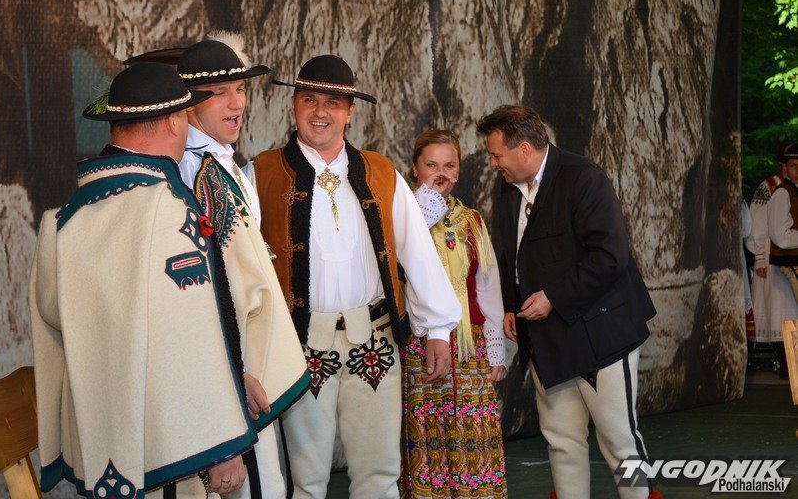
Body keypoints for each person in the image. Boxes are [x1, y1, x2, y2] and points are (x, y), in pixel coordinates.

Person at [30, 62, 254, 497]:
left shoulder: (64, 219)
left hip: (99, 444)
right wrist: (221, 444)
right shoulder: (169, 211)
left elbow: (55, 319)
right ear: (174, 122)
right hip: (172, 446)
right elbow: (189, 337)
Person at [245, 55, 461, 499]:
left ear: (350, 112)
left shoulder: (381, 172)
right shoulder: (260, 173)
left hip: (374, 342)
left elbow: (417, 251)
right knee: (307, 481)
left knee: (379, 476)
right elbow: (242, 269)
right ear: (294, 105)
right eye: (309, 100)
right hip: (300, 346)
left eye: (332, 103)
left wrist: (438, 328)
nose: (319, 112)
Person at [128, 34, 311, 499]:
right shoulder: (190, 172)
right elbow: (200, 294)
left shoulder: (219, 162)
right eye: (220, 94)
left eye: (241, 89)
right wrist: (227, 385)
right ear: (187, 106)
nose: (237, 103)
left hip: (247, 367)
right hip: (230, 377)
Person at [477, 105, 659, 499]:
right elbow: (509, 254)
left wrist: (554, 298)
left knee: (619, 440)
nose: (493, 164)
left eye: (496, 155)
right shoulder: (507, 187)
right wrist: (510, 304)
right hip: (548, 338)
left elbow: (611, 256)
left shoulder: (583, 178)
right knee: (561, 439)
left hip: (602, 334)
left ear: (524, 150)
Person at [402, 129, 508, 498]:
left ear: (459, 170)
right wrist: (425, 205)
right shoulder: (403, 217)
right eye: (431, 165)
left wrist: (495, 349)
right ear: (415, 169)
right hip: (421, 345)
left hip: (469, 348)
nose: (441, 173)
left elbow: (487, 287)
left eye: (449, 165)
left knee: (473, 435)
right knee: (428, 434)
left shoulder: (472, 220)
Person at [746, 142, 798, 356]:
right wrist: (759, 257)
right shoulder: (769, 187)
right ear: (783, 165)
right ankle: (784, 358)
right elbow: (756, 225)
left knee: (791, 307)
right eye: (791, 163)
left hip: (792, 254)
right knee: (780, 308)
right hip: (772, 256)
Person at [766, 141, 798, 355]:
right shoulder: (782, 193)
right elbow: (780, 236)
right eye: (793, 165)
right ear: (784, 168)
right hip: (792, 264)